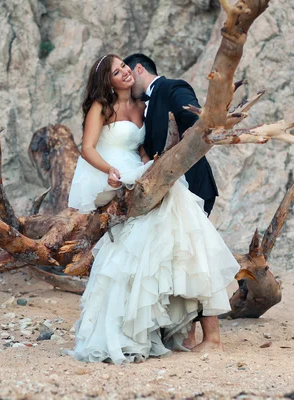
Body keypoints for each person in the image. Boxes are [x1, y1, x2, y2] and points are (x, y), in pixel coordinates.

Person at [67, 54, 239, 364]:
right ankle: (144, 330)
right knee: (141, 247)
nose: (124, 74)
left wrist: (153, 162)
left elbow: (143, 148)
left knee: (173, 237)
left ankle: (187, 331)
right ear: (108, 81)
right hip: (117, 176)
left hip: (142, 172)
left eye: (124, 67)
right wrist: (109, 170)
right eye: (117, 72)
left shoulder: (140, 106)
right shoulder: (101, 108)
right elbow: (87, 148)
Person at [123, 53, 220, 351]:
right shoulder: (143, 106)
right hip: (169, 193)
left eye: (129, 73)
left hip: (192, 187)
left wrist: (193, 125)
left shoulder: (172, 87)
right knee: (179, 261)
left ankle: (213, 339)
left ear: (139, 68)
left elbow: (191, 113)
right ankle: (188, 334)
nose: (127, 82)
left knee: (197, 260)